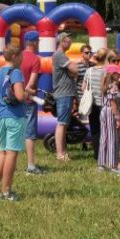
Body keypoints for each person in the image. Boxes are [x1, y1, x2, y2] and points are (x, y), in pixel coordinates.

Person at [0, 44, 28, 201]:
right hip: (15, 116)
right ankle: (6, 192)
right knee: (12, 153)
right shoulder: (16, 72)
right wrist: (26, 93)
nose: (22, 59)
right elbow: (19, 96)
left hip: (1, 115)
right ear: (14, 57)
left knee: (3, 152)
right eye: (21, 56)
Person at [19, 31, 45, 175]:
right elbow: (31, 82)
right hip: (28, 100)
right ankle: (30, 165)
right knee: (29, 132)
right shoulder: (35, 59)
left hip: (16, 99)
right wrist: (28, 92)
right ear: (34, 42)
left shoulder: (18, 56)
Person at [51, 32, 79, 161]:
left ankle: (63, 151)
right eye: (68, 40)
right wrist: (76, 67)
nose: (71, 42)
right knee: (62, 124)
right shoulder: (59, 55)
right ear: (62, 41)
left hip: (66, 93)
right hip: (63, 93)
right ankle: (60, 153)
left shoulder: (62, 56)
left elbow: (73, 72)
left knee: (65, 124)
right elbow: (75, 70)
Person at [97, 65, 120, 174]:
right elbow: (113, 103)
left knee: (104, 137)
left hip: (104, 111)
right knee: (112, 138)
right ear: (113, 74)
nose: (119, 75)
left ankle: (102, 163)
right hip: (110, 112)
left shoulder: (106, 85)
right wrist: (117, 118)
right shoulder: (113, 86)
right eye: (118, 73)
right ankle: (112, 165)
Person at [82, 49, 108, 160]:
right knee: (105, 130)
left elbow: (83, 87)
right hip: (104, 104)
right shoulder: (106, 71)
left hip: (92, 104)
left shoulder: (89, 71)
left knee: (95, 130)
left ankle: (97, 154)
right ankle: (105, 153)